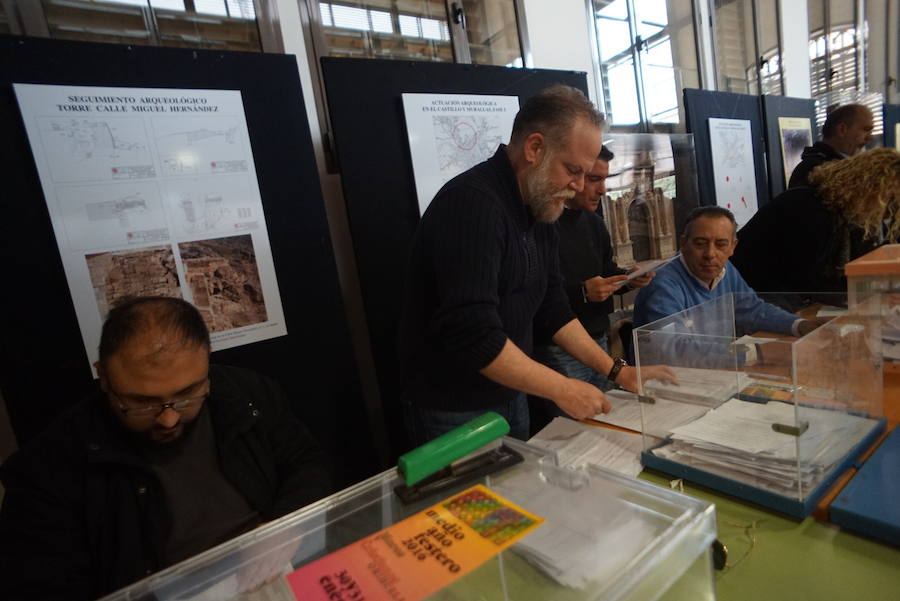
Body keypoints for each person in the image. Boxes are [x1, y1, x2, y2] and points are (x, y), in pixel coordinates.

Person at [0, 296, 331, 601]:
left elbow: (305, 462)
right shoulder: (52, 466)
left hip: (278, 565)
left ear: (207, 367)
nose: (169, 420)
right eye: (142, 402)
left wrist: (285, 523)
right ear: (103, 377)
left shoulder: (246, 394)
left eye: (188, 394)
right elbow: (43, 584)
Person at [398, 85, 674, 445]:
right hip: (455, 407)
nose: (577, 186)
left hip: (510, 393)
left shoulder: (539, 209)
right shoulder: (472, 205)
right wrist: (562, 387)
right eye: (573, 170)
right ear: (535, 148)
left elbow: (552, 307)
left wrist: (618, 371)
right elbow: (474, 334)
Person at [530, 145, 655, 432]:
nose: (601, 189)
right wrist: (582, 293)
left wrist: (627, 279)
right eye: (594, 179)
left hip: (597, 340)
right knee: (575, 427)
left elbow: (605, 274)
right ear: (573, 176)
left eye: (604, 180)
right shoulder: (544, 223)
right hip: (558, 347)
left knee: (603, 420)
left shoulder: (595, 222)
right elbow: (542, 298)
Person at [733, 147, 900, 308]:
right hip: (754, 294)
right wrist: (874, 293)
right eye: (887, 198)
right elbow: (807, 280)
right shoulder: (808, 208)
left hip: (781, 292)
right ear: (868, 188)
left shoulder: (842, 214)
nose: (886, 208)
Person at [633, 206, 826, 339]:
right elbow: (672, 348)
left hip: (719, 371)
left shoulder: (725, 270)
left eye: (720, 244)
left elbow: (753, 311)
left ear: (733, 247)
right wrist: (749, 355)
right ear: (683, 244)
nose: (710, 254)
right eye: (700, 244)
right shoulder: (663, 285)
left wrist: (798, 325)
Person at [788, 104, 874, 189]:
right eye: (866, 130)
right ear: (842, 130)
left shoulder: (847, 167)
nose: (870, 137)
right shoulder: (812, 173)